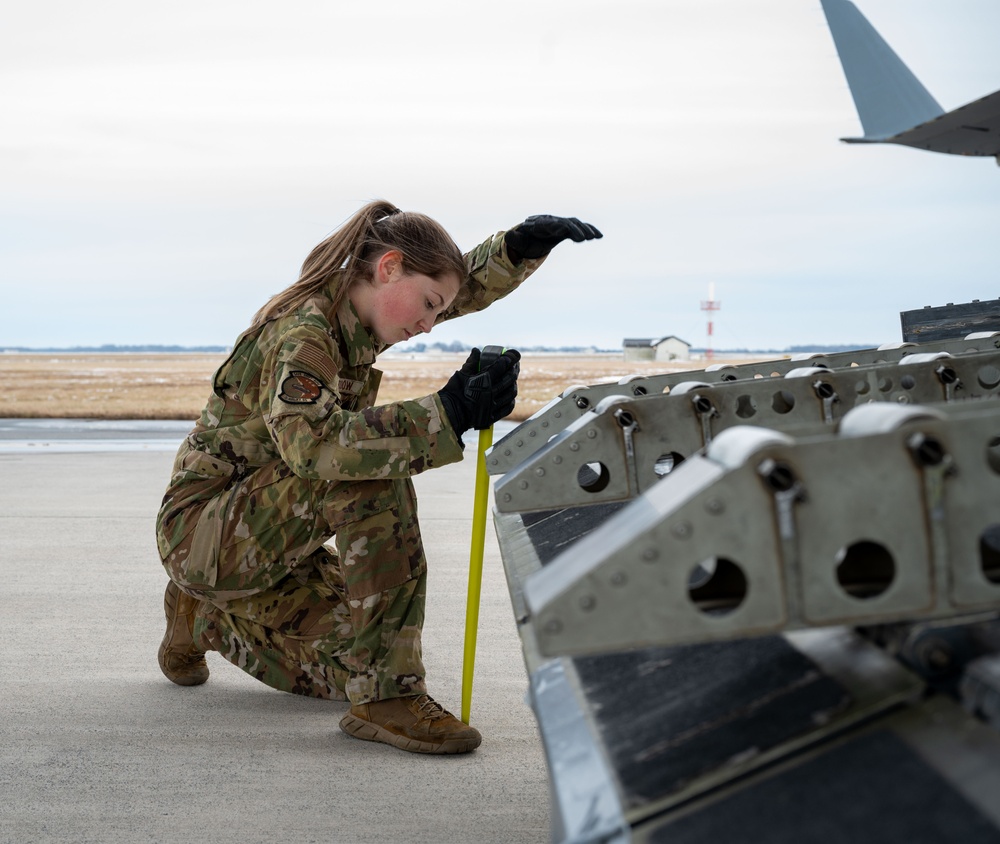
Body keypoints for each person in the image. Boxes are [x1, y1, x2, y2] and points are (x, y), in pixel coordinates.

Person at [154, 201, 601, 755]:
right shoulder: (307, 335)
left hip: (264, 539)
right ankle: (388, 700)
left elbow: (449, 288)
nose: (429, 324)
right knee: (370, 471)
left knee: (360, 656)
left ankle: (204, 618)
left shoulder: (360, 318)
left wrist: (518, 247)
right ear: (388, 267)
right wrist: (449, 413)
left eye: (439, 314)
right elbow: (316, 447)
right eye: (428, 308)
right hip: (205, 535)